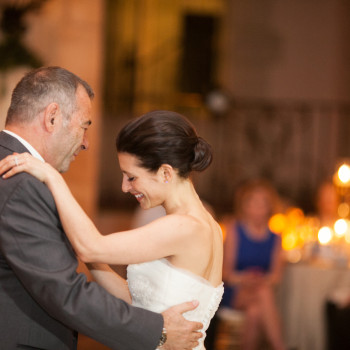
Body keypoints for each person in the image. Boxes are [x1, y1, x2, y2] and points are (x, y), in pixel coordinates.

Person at [0, 67, 203, 350]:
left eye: (132, 177)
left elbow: (90, 252)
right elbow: (64, 291)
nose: (85, 142)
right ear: (52, 117)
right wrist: (159, 331)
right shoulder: (19, 180)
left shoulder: (16, 169)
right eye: (85, 125)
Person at [220, 179, 285, 350]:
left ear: (270, 207)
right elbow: (225, 273)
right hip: (234, 291)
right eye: (253, 202)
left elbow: (276, 276)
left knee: (255, 312)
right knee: (263, 292)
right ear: (244, 206)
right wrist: (244, 279)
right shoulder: (235, 230)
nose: (258, 208)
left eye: (263, 203)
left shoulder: (276, 237)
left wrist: (258, 281)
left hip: (259, 289)